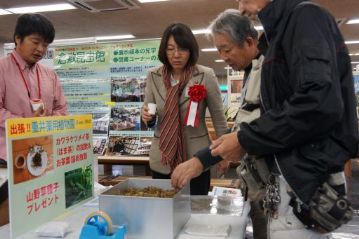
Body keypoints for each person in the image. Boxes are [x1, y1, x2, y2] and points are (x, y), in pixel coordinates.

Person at [184, 0, 359, 238]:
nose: (241, 7)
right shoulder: (278, 37)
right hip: (288, 180)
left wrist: (244, 140)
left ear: (247, 42)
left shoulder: (305, 18)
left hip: (302, 181)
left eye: (227, 49)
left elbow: (316, 104)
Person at [171, 11, 268, 239]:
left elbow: (254, 130)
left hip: (277, 187)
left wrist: (201, 160)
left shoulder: (269, 70)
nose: (223, 56)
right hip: (257, 183)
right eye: (219, 51)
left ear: (249, 42)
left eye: (227, 49)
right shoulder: (251, 70)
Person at [142, 23, 227, 195]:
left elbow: (219, 119)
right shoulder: (153, 75)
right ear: (164, 51)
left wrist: (223, 154)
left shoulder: (205, 75)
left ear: (191, 50)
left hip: (197, 158)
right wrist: (146, 117)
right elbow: (149, 113)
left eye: (182, 49)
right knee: (163, 209)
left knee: (195, 209)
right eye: (170, 49)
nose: (176, 55)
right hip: (162, 157)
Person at [0, 13, 68, 226]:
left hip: (43, 157)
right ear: (17, 39)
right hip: (7, 160)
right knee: (8, 220)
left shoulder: (50, 75)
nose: (41, 49)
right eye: (36, 42)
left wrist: (46, 122)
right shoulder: (1, 69)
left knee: (36, 216)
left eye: (45, 45)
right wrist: (27, 123)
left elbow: (61, 109)